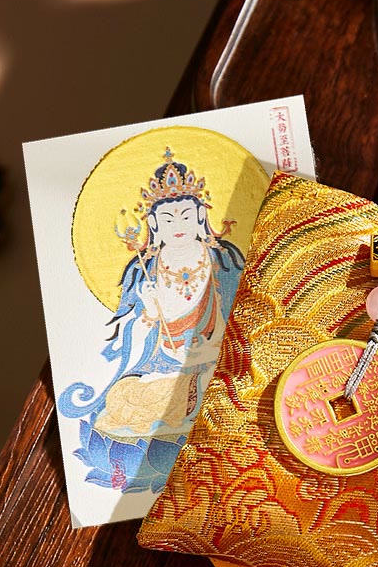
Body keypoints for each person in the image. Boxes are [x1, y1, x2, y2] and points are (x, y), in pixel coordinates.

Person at [58, 149, 243, 491]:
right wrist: (150, 312)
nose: (178, 226)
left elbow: (244, 315)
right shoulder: (143, 270)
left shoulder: (223, 260)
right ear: (154, 224)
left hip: (214, 362)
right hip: (163, 368)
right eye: (168, 219)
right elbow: (131, 335)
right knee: (121, 399)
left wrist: (210, 351)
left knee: (207, 389)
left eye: (186, 216)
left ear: (201, 217)